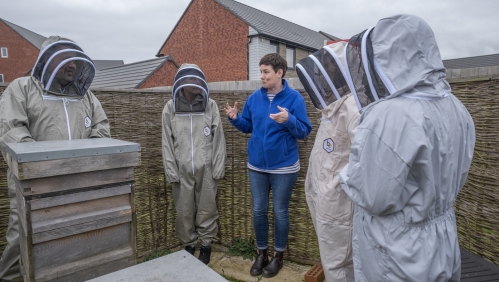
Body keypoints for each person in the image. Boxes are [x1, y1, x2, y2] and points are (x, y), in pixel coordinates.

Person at [339, 14, 475, 281]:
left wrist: (346, 175)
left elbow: (373, 196)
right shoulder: (457, 108)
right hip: (443, 236)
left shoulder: (390, 115)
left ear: (387, 58)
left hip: (398, 249)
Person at [0, 36, 110, 281]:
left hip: (78, 182)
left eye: (73, 60)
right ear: (46, 61)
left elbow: (101, 128)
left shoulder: (86, 96)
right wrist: (42, 168)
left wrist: (86, 163)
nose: (71, 65)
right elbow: (12, 130)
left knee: (70, 236)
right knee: (22, 237)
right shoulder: (22, 88)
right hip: (32, 185)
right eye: (63, 58)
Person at [224, 53, 312, 278]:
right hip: (257, 166)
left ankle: (278, 256)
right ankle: (261, 253)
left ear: (279, 73)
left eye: (266, 72)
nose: (261, 76)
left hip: (284, 167)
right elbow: (248, 127)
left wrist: (289, 120)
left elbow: (304, 131)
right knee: (258, 210)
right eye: (261, 71)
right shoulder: (255, 98)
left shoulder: (294, 99)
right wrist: (235, 118)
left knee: (280, 212)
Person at [296, 41, 362, 282]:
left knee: (338, 264)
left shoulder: (353, 109)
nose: (327, 71)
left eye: (332, 65)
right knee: (333, 260)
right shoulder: (333, 106)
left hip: (339, 205)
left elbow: (362, 163)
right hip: (325, 199)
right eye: (325, 65)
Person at [161, 63, 226, 265]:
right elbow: (166, 142)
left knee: (207, 208)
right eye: (192, 80)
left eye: (199, 80)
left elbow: (218, 139)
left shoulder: (211, 106)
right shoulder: (170, 108)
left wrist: (218, 166)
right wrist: (171, 171)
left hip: (205, 170)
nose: (197, 83)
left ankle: (205, 245)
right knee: (184, 210)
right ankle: (188, 244)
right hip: (181, 171)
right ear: (182, 83)